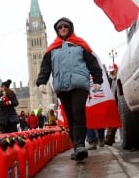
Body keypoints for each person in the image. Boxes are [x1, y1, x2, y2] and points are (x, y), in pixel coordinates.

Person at [36, 17, 103, 161]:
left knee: (78, 113)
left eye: (65, 26)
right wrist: (41, 82)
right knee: (70, 118)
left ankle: (80, 145)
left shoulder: (80, 45)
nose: (63, 29)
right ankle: (76, 148)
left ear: (70, 28)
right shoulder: (52, 49)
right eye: (60, 27)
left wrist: (98, 80)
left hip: (79, 84)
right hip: (62, 87)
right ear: (57, 30)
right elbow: (45, 67)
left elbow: (93, 64)